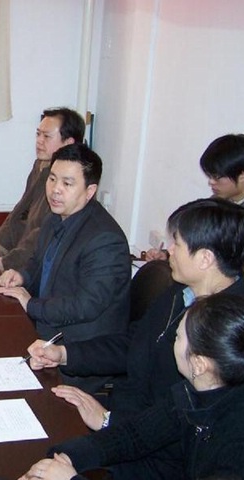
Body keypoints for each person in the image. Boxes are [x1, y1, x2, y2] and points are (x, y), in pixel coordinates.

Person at [27, 198, 244, 479]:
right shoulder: (180, 293)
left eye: (177, 243)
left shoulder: (227, 335)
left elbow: (179, 433)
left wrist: (108, 423)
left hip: (159, 456)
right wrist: (65, 353)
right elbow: (133, 345)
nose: (168, 251)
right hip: (130, 428)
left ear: (205, 259)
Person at [19, 293, 244, 480]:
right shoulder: (192, 392)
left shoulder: (235, 446)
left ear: (199, 364)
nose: (171, 342)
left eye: (177, 337)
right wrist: (64, 458)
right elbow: (133, 436)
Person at [0, 143, 131, 394]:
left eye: (67, 183)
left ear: (90, 191)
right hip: (47, 327)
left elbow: (85, 306)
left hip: (74, 349)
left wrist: (31, 304)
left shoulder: (105, 240)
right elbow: (39, 262)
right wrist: (22, 276)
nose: (55, 190)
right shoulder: (55, 218)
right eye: (52, 179)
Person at [0, 108, 85, 272]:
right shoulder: (41, 166)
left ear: (68, 143)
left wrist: (5, 262)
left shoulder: (70, 184)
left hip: (43, 265)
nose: (39, 141)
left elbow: (42, 237)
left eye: (46, 136)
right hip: (23, 255)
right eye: (38, 134)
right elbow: (20, 212)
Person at [145, 133, 244, 261]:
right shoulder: (217, 202)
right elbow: (201, 243)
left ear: (242, 175)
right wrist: (168, 256)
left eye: (216, 177)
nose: (211, 182)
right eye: (210, 176)